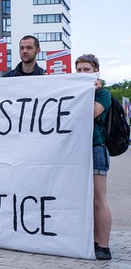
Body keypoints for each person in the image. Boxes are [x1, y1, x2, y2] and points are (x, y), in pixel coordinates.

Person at [75, 54, 113, 260]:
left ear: (96, 71)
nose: (82, 73)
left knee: (99, 199)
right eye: (79, 70)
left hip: (95, 148)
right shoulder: (75, 92)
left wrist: (90, 91)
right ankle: (91, 241)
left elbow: (89, 112)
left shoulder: (103, 94)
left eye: (86, 70)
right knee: (84, 200)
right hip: (76, 151)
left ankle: (104, 245)